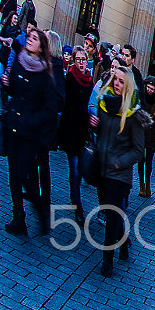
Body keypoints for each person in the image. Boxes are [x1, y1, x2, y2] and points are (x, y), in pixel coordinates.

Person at [2, 25, 62, 235]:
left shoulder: (46, 74)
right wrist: (7, 84)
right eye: (30, 36)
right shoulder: (19, 61)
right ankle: (19, 216)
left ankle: (39, 207)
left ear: (41, 46)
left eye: (35, 38)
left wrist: (31, 120)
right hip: (12, 127)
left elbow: (51, 109)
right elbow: (14, 92)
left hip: (29, 133)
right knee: (13, 174)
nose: (30, 39)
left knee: (23, 173)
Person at [92, 68, 145, 277]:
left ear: (128, 85)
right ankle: (123, 242)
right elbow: (103, 136)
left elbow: (138, 151)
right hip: (102, 168)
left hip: (120, 174)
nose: (116, 83)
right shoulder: (104, 104)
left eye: (121, 81)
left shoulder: (134, 114)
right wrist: (95, 126)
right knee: (110, 212)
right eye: (115, 79)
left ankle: (107, 261)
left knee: (113, 215)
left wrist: (119, 162)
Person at [56, 40, 95, 221]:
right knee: (75, 169)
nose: (81, 62)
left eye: (83, 59)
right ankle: (77, 206)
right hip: (71, 130)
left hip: (83, 130)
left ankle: (75, 197)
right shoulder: (70, 77)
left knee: (80, 168)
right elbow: (66, 104)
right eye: (78, 59)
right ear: (73, 60)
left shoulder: (89, 79)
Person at [137, 77, 155, 198]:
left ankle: (148, 185)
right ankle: (141, 185)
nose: (150, 90)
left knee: (149, 161)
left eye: (152, 89)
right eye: (148, 88)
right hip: (142, 131)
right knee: (141, 159)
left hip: (152, 133)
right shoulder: (141, 97)